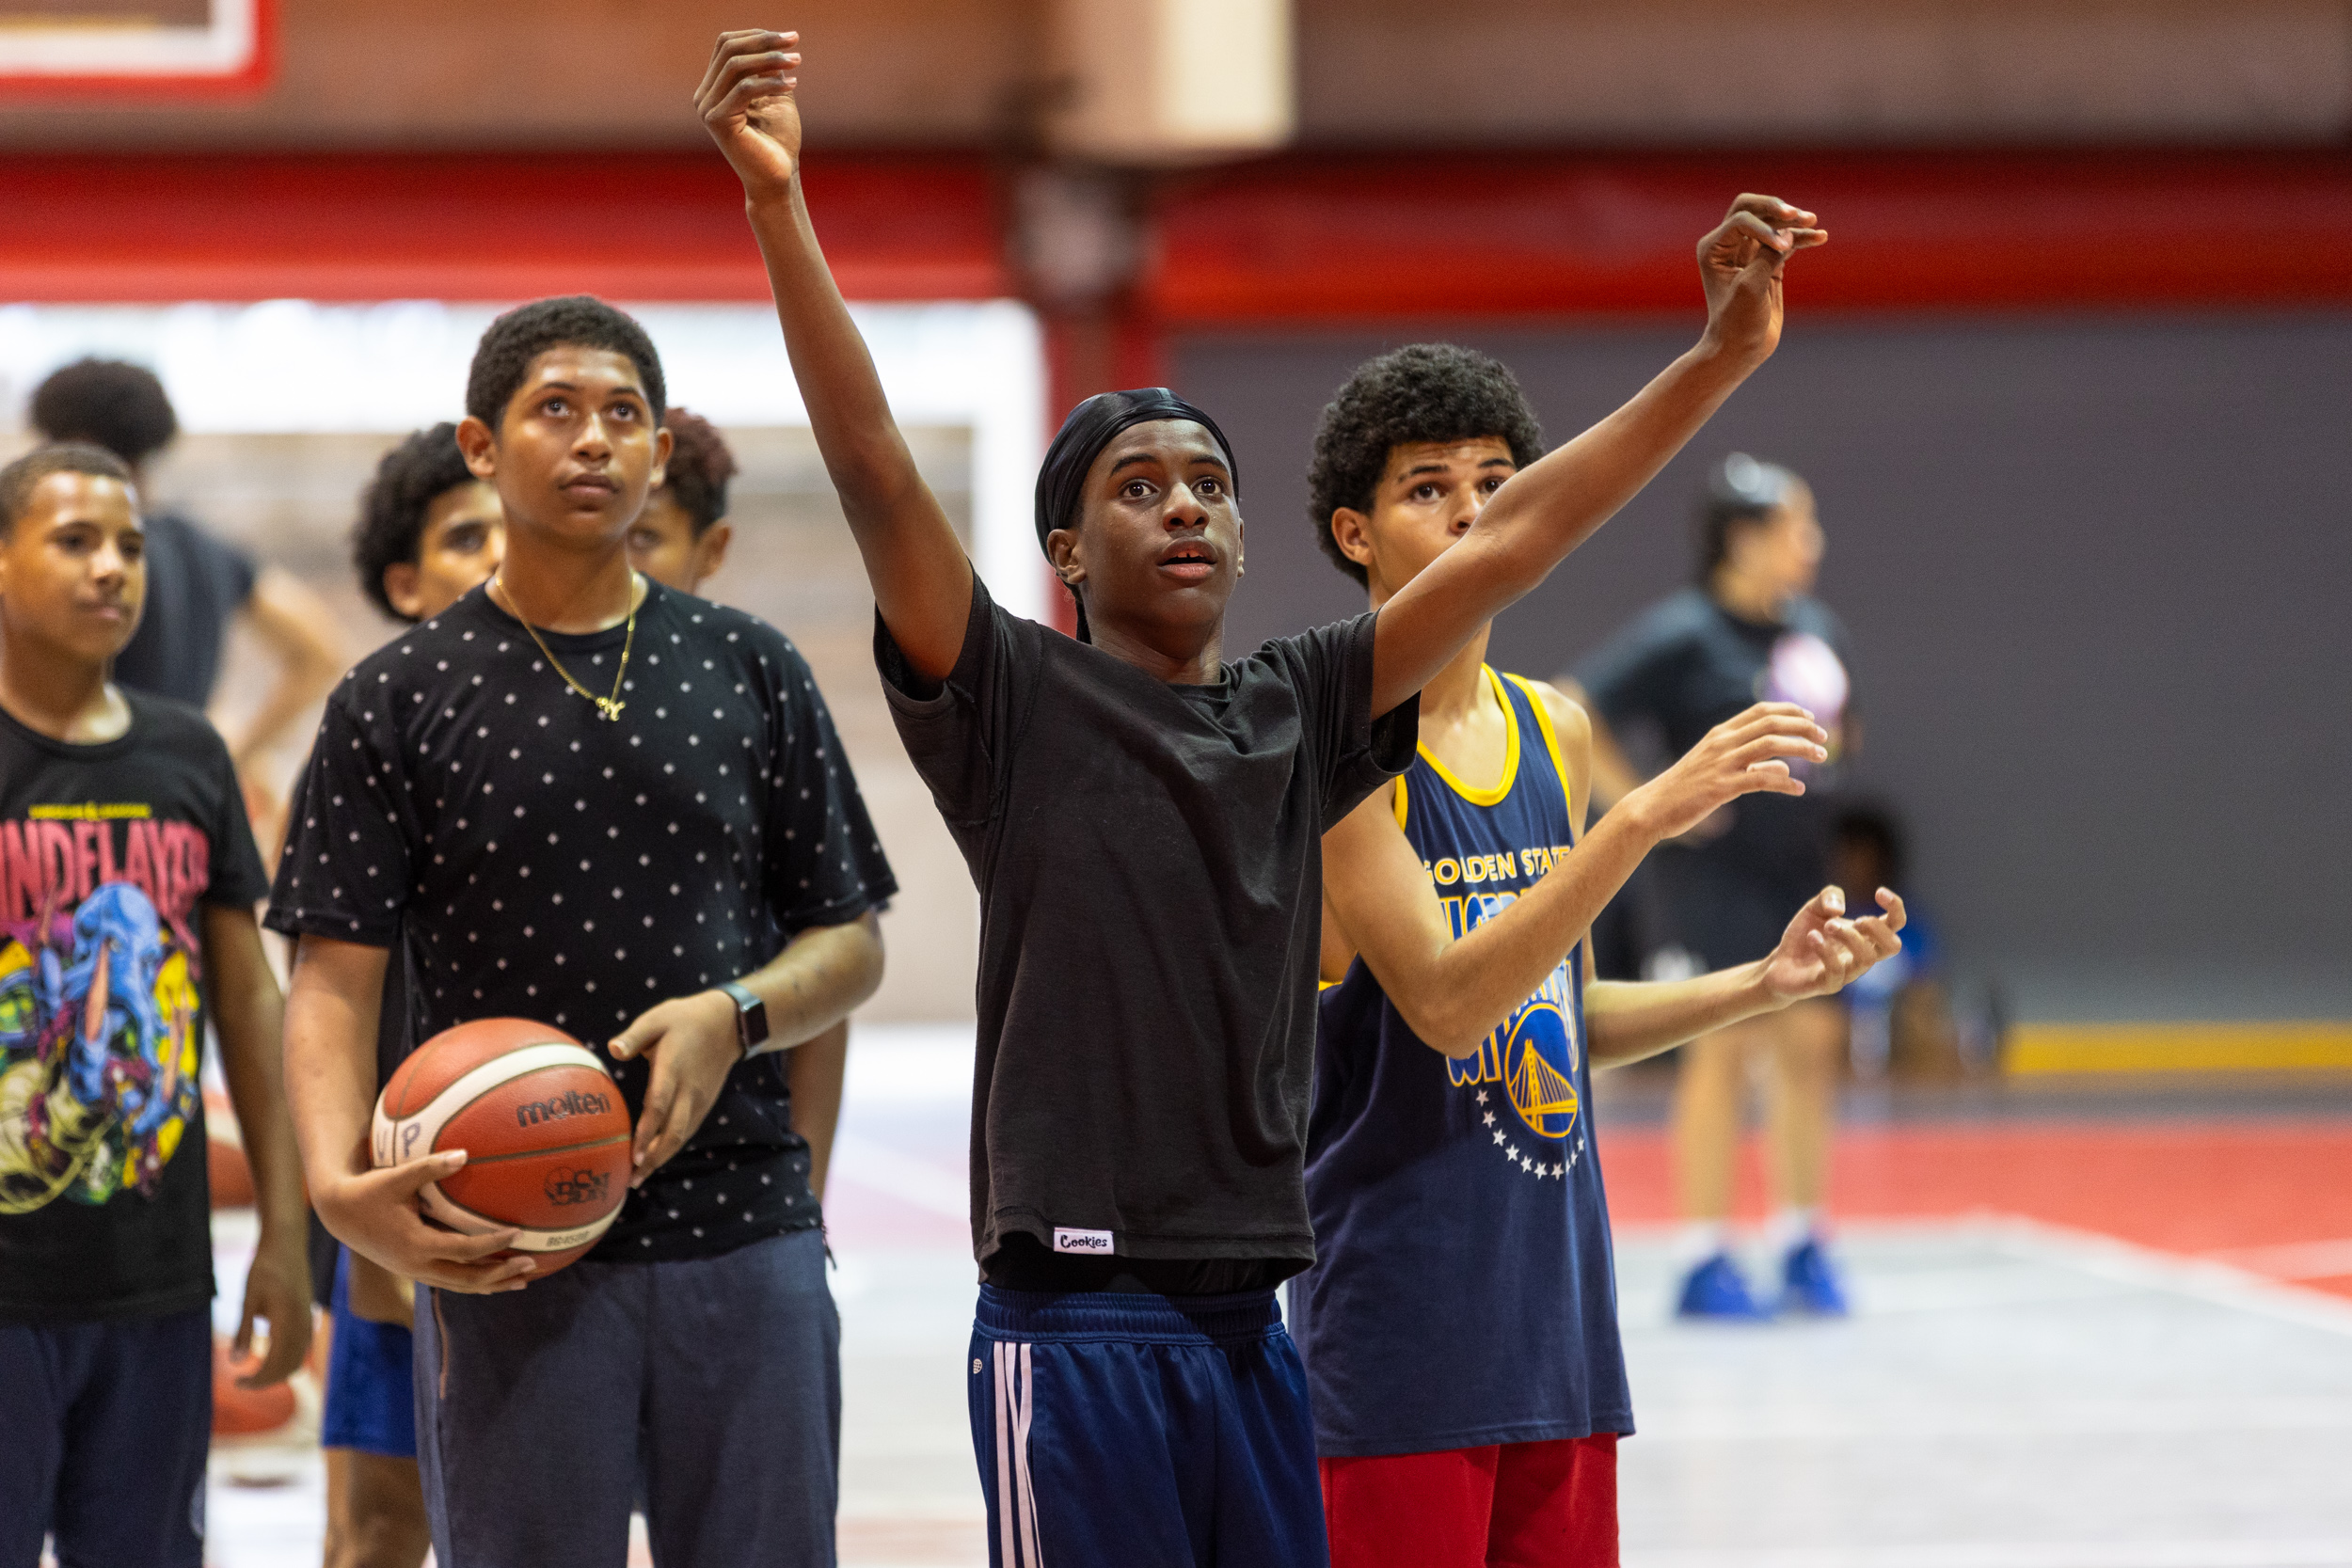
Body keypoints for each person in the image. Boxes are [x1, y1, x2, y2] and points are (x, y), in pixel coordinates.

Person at [695, 27, 1823, 1563]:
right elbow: (877, 466)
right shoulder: (1017, 700)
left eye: (1210, 485)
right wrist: (779, 206)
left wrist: (1716, 359)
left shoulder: (1300, 705)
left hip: (1253, 1325)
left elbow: (1513, 540)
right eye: (1139, 486)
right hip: (1075, 1314)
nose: (1187, 508)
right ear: (1068, 551)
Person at [269, 298, 897, 1566]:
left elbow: (851, 942)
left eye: (625, 416)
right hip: (505, 1240)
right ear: (484, 447)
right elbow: (331, 977)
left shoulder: (752, 665)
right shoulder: (392, 699)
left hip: (746, 1222)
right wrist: (340, 1190)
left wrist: (737, 1012)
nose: (595, 439)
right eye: (556, 409)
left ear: (662, 453)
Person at [1298, 346, 1905, 1565]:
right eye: (1429, 487)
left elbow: (1556, 1010)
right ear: (1354, 533)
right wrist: (1641, 816)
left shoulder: (1549, 727)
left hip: (1562, 1321)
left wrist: (1760, 981)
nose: (1473, 510)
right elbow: (1451, 1001)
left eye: (1496, 480)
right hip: (1401, 1325)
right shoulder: (1325, 739)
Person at [0, 444, 311, 1567]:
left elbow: (245, 996)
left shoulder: (188, 754)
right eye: (75, 540)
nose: (112, 569)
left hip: (154, 1279)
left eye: (129, 545)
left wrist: (285, 1227)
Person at [1565, 453, 1861, 1319]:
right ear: (1741, 537)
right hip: (1710, 878)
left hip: (1798, 869)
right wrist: (1652, 805)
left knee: (1810, 1047)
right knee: (1723, 1049)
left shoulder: (1817, 632)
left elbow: (1842, 733)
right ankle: (1704, 1258)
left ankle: (1804, 1238)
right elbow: (1573, 705)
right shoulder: (1684, 633)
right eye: (1794, 526)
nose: (1812, 542)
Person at [307, 422, 506, 1568]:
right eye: (462, 533)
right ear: (403, 578)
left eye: (504, 530)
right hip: (390, 1198)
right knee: (379, 1527)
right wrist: (333, 1214)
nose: (491, 555)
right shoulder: (365, 738)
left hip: (550, 1191)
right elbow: (318, 1020)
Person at [627, 406, 851, 1200]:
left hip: (729, 1192)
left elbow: (831, 954)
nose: (616, 556)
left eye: (644, 535)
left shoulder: (753, 688)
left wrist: (808, 1198)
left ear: (710, 549)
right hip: (522, 1186)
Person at [28, 359, 346, 778]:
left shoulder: (63, 556)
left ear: (76, 446)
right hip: (181, 799)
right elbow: (319, 652)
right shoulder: (207, 549)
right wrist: (241, 754)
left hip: (84, 802)